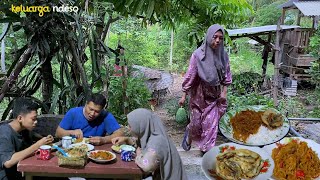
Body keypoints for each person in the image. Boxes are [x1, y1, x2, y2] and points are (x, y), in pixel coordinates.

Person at [179, 24, 232, 153]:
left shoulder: (223, 56)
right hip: (198, 94)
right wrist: (184, 95)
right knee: (196, 124)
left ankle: (206, 152)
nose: (218, 41)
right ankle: (189, 133)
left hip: (214, 96)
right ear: (209, 37)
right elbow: (190, 75)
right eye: (215, 37)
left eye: (221, 38)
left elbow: (226, 75)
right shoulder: (197, 55)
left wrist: (224, 93)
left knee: (210, 125)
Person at [112, 108, 187, 180]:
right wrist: (127, 139)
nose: (129, 128)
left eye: (130, 126)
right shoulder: (153, 132)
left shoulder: (157, 141)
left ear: (141, 125)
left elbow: (147, 165)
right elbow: (143, 144)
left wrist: (139, 155)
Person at [0, 98, 54, 180]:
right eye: (33, 119)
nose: (36, 122)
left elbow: (33, 135)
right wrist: (38, 145)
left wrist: (45, 140)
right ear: (20, 118)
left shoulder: (23, 129)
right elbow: (8, 162)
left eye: (36, 119)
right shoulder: (5, 133)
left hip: (23, 171)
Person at [55, 93, 124, 145]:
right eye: (90, 109)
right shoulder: (73, 113)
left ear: (102, 110)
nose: (92, 114)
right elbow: (58, 133)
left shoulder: (105, 115)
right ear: (86, 104)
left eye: (97, 111)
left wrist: (104, 140)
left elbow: (120, 134)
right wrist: (71, 132)